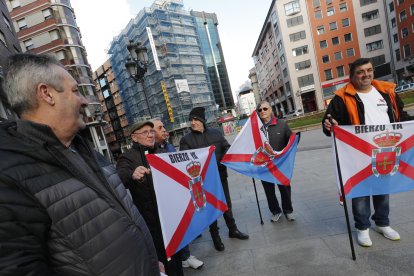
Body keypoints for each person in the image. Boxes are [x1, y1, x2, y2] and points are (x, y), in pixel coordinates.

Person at [0, 53, 161, 275]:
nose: (84, 100)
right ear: (46, 94)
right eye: (75, 91)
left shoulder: (86, 149)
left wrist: (151, 261)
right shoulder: (9, 178)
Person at [322, 58, 412, 247]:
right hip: (358, 154)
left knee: (383, 189)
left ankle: (382, 223)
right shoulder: (342, 97)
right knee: (360, 192)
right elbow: (329, 122)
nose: (366, 75)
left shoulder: (387, 92)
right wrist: (329, 124)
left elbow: (401, 117)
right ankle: (362, 228)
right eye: (361, 72)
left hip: (386, 152)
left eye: (369, 70)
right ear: (352, 76)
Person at [116, 120, 183, 276]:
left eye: (151, 131)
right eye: (145, 132)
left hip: (170, 216)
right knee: (162, 261)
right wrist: (132, 174)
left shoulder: (160, 153)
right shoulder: (126, 158)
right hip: (150, 221)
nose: (150, 135)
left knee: (176, 255)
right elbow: (119, 175)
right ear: (134, 137)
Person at [180, 107, 249, 251]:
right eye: (191, 120)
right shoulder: (186, 140)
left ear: (202, 121)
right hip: (202, 182)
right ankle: (215, 237)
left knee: (226, 204)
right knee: (209, 209)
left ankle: (233, 230)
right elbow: (184, 161)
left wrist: (223, 158)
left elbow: (226, 147)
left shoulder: (216, 133)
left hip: (220, 176)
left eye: (195, 120)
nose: (192, 123)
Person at [152, 118, 204, 270]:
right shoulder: (150, 151)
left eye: (163, 126)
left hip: (176, 195)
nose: (164, 129)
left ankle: (185, 257)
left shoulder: (168, 147)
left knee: (183, 225)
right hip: (163, 200)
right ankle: (179, 258)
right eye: (160, 127)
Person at [257, 101, 296, 222]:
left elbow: (291, 140)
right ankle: (275, 211)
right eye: (260, 110)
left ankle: (288, 211)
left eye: (265, 108)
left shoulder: (281, 124)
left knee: (285, 188)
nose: (262, 111)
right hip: (264, 166)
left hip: (280, 164)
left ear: (270, 110)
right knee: (269, 191)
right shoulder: (256, 128)